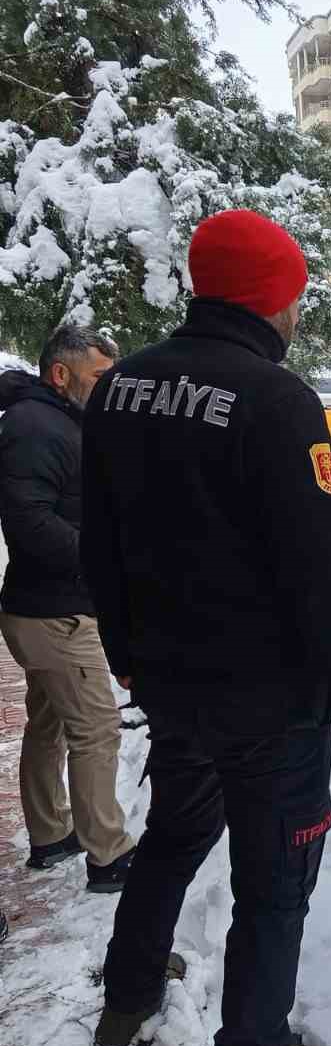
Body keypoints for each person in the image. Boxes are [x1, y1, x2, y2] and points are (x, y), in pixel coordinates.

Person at [81, 209, 331, 1046]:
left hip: (171, 686)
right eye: (294, 289)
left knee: (174, 836)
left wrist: (128, 655)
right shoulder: (274, 398)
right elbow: (321, 572)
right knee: (274, 886)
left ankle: (128, 993)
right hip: (269, 703)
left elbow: (102, 541)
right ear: (272, 294)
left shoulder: (123, 386)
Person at [0, 326, 135, 891]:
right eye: (99, 376)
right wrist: (99, 558)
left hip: (46, 606)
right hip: (55, 612)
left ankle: (51, 833)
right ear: (61, 374)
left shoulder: (59, 420)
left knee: (51, 723)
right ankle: (110, 854)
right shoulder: (34, 428)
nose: (109, 386)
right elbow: (28, 522)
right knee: (97, 729)